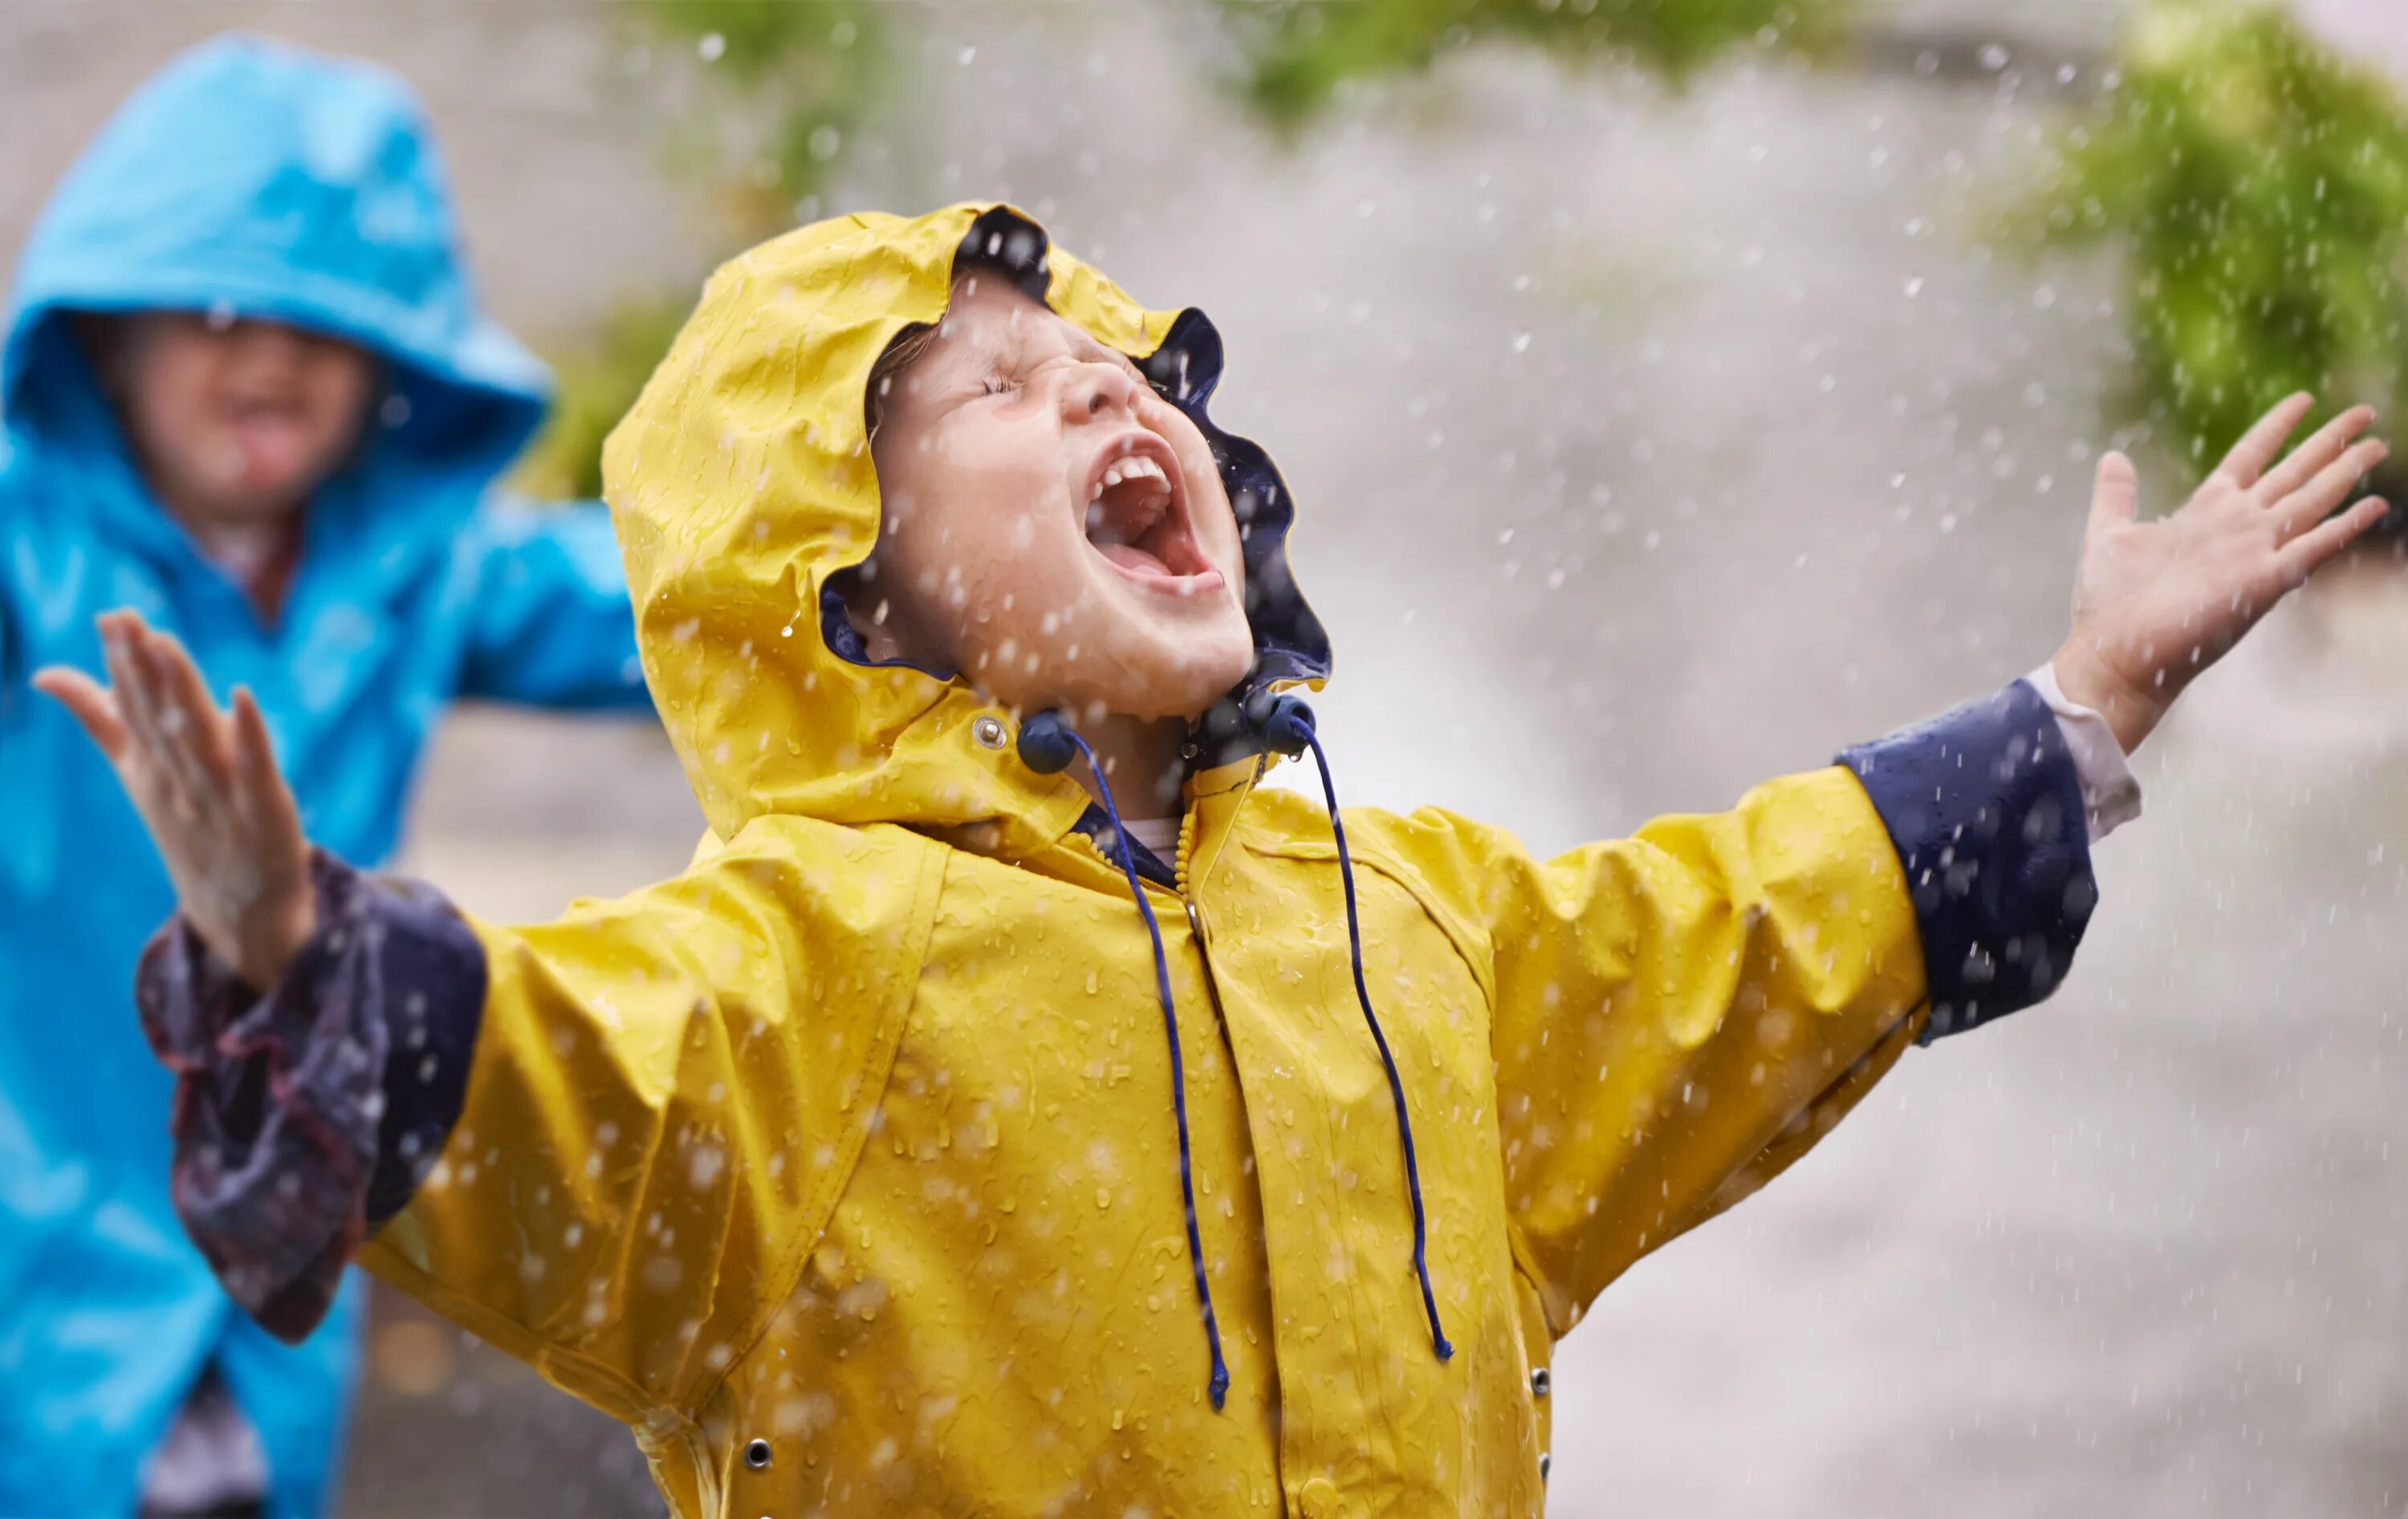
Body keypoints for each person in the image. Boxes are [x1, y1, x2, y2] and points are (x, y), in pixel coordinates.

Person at [43, 204, 2389, 1517]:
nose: (1101, 390)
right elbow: (563, 1081)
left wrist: (2077, 713)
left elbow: (1743, 934)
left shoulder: (1414, 922)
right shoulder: (813, 968)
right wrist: (294, 953)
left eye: (1123, 372)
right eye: (983, 391)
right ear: (845, 595)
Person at [0, 35, 653, 1519]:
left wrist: (929, 576)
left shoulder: (413, 573)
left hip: (282, 1234)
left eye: (331, 323)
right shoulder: (27, 541)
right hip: (39, 1228)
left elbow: (660, 605)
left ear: (395, 365)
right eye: (220, 308)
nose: (274, 352)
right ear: (111, 338)